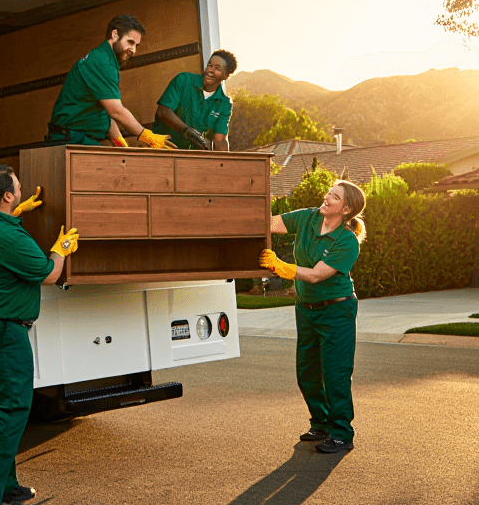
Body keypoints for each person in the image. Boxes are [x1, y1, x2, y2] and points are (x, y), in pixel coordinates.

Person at [0, 164, 79, 505]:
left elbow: (2, 230)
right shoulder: (8, 238)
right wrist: (62, 249)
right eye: (18, 189)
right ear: (7, 195)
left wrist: (17, 215)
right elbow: (48, 273)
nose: (23, 190)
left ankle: (4, 483)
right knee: (12, 407)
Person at [260, 179, 367, 454]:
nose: (327, 197)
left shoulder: (347, 241)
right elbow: (270, 224)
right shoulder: (307, 218)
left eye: (334, 196)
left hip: (336, 311)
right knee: (307, 372)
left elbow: (317, 275)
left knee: (335, 373)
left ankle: (342, 432)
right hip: (305, 308)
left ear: (346, 210)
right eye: (329, 193)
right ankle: (320, 423)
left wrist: (282, 267)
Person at [46, 14, 175, 149]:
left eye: (137, 45)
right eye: (130, 42)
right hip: (70, 139)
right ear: (115, 35)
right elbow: (116, 111)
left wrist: (120, 144)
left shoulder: (105, 59)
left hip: (76, 138)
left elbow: (106, 112)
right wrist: (147, 136)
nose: (134, 50)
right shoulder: (103, 62)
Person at [148, 50, 237, 150]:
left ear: (226, 76)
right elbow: (163, 111)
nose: (210, 70)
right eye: (210, 65)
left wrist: (225, 163)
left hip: (189, 156)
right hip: (161, 150)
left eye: (217, 68)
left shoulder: (224, 104)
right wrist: (186, 130)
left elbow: (220, 140)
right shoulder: (183, 80)